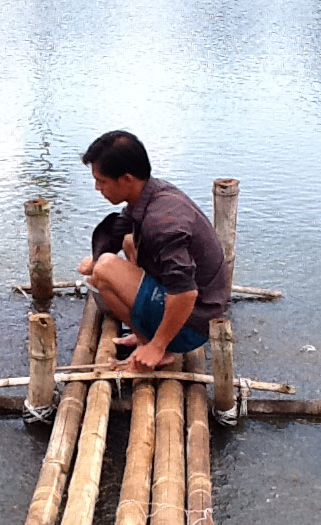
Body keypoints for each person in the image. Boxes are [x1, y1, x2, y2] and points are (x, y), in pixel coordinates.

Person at [78, 130, 230, 375]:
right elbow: (119, 229)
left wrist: (158, 346)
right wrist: (94, 258)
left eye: (102, 181)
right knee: (116, 253)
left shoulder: (163, 222)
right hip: (193, 305)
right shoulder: (150, 193)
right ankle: (145, 336)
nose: (97, 188)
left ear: (126, 179)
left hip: (193, 324)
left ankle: (156, 345)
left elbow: (185, 293)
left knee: (106, 268)